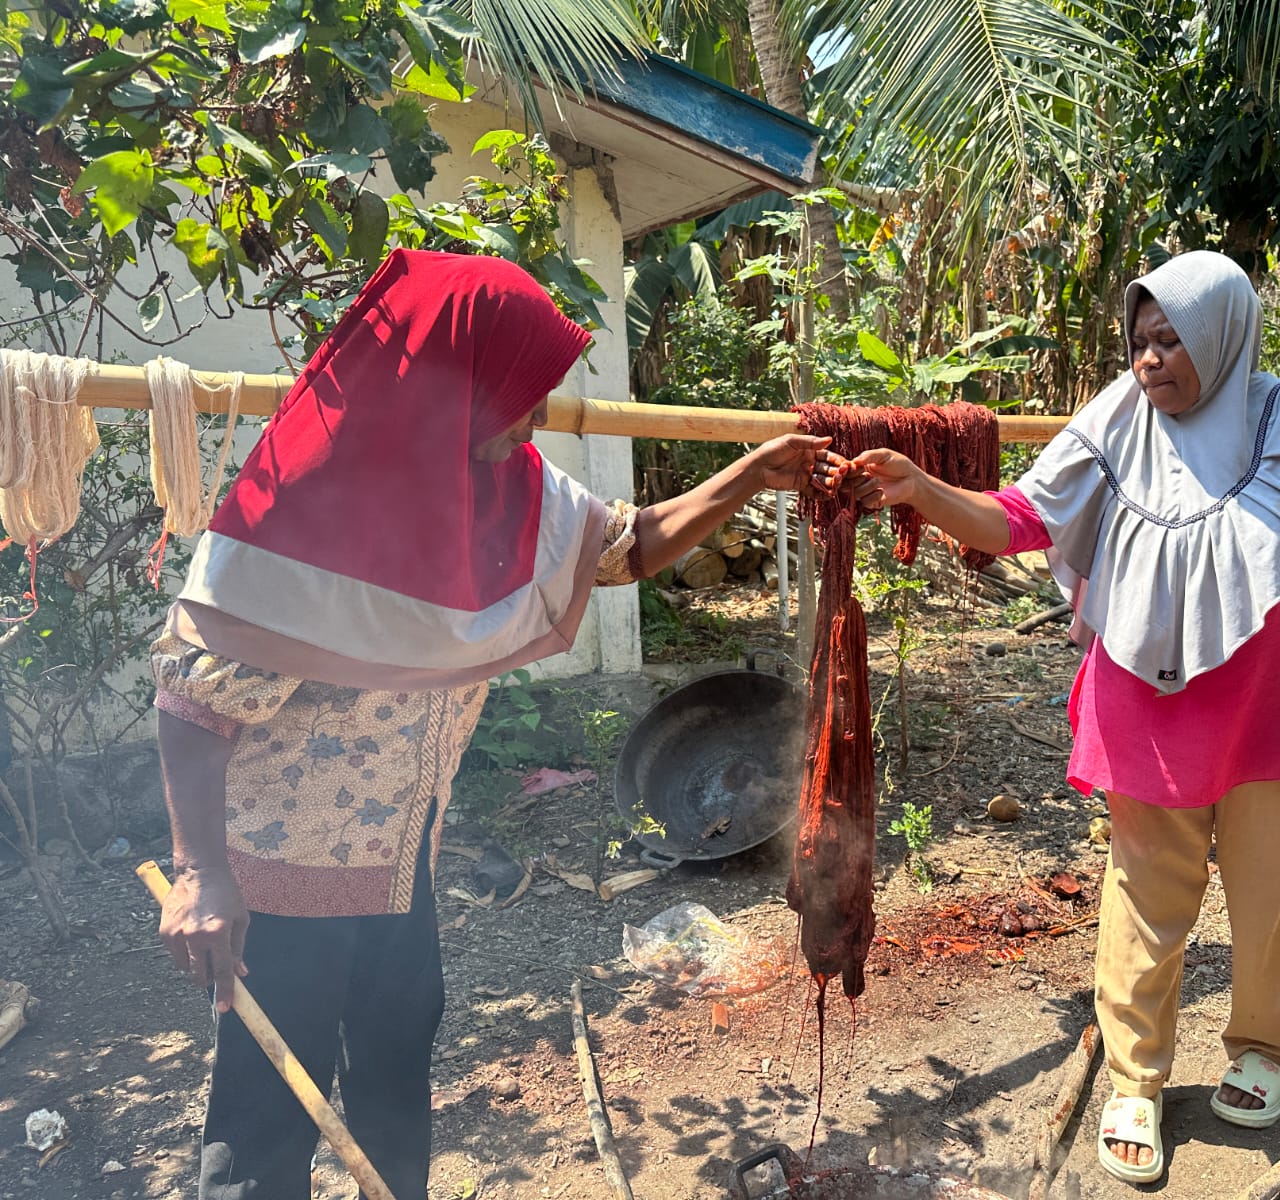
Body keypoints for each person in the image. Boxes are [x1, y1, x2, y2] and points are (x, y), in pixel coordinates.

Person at [150, 248, 843, 1200]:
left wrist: (753, 473)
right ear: (454, 384)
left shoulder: (512, 490)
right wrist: (200, 874)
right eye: (521, 392)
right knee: (270, 1117)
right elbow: (193, 700)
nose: (537, 417)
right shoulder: (305, 506)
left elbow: (627, 545)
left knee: (396, 1075)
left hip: (401, 863)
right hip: (285, 887)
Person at [850, 251, 1280, 1184]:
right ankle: (1134, 1077)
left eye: (1171, 341)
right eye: (1137, 342)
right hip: (1147, 712)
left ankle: (1268, 1052)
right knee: (1143, 898)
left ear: (1225, 334)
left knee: (1275, 895)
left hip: (1276, 714)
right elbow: (1019, 520)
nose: (1149, 361)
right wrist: (924, 490)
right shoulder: (1116, 425)